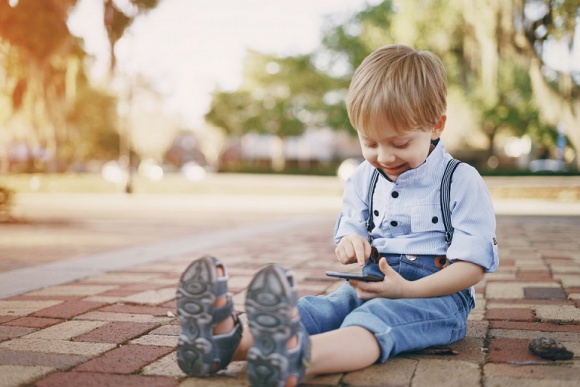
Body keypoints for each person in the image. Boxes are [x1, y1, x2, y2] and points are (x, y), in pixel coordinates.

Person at [175, 44, 499, 387]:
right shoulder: (364, 177)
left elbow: (471, 268)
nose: (385, 156)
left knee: (377, 319)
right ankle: (226, 342)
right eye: (370, 142)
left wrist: (406, 291)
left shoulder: (461, 180)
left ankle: (299, 359)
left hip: (437, 298)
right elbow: (350, 229)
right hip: (373, 284)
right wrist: (350, 242)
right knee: (320, 309)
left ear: (436, 126)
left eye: (399, 143)